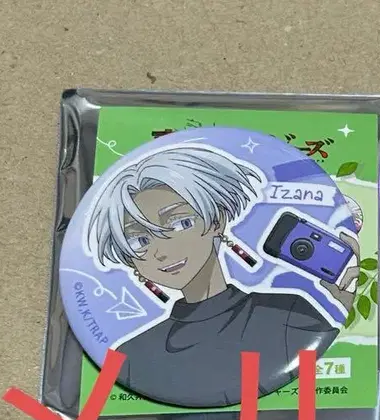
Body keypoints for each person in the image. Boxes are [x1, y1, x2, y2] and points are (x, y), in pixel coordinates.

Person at [86, 143, 359, 406]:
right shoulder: (131, 356)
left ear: (217, 221)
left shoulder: (285, 314)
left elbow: (337, 377)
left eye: (181, 223)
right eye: (139, 241)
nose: (162, 251)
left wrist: (348, 310)